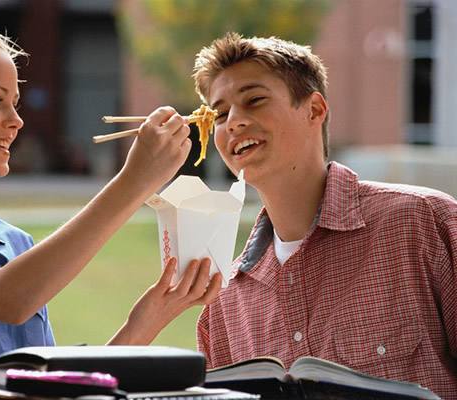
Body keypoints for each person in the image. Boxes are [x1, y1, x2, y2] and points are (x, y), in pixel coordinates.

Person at [0, 3, 222, 399]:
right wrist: (133, 183)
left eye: (14, 101)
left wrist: (148, 319)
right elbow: (6, 298)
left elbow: (51, 391)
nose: (16, 120)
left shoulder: (14, 247)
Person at [191, 32, 457, 399]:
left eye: (254, 100)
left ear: (314, 109)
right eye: (220, 114)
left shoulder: (424, 221)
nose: (234, 122)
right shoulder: (224, 302)